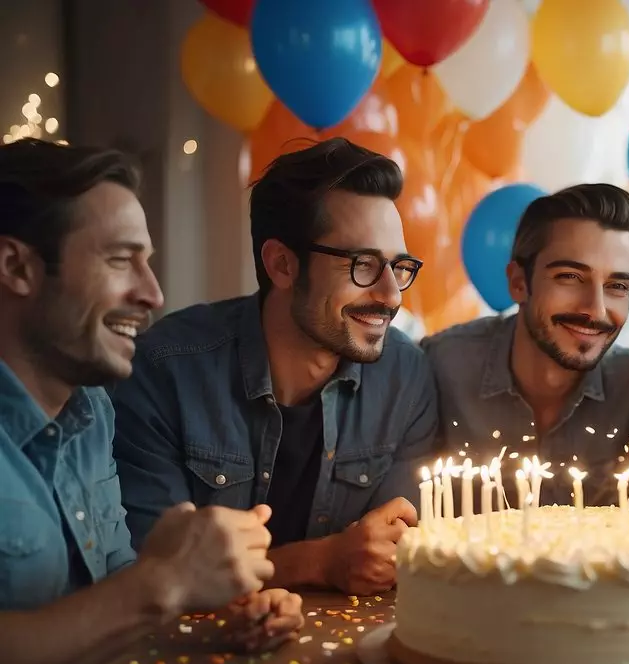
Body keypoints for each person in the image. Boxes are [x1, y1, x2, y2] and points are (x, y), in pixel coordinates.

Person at [0, 138, 304, 664]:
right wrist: (161, 583)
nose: (153, 292)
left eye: (149, 261)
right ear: (16, 265)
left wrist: (204, 614)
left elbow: (101, 620)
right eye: (119, 260)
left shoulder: (94, 414)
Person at [111, 138, 438, 597]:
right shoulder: (165, 371)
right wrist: (320, 562)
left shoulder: (406, 376)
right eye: (363, 265)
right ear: (282, 265)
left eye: (399, 266)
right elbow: (149, 570)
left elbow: (392, 554)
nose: (392, 295)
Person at [422, 183, 629, 503]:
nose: (595, 309)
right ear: (518, 283)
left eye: (617, 285)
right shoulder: (439, 366)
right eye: (570, 277)